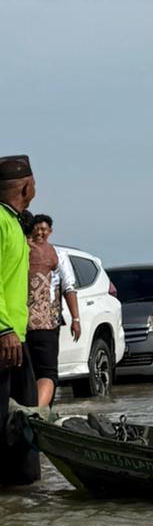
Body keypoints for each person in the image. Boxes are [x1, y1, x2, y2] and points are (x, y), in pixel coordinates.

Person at [0, 154, 39, 485]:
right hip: (5, 337)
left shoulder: (14, 221)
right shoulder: (0, 220)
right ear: (27, 186)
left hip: (17, 337)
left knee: (24, 420)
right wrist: (4, 330)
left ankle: (23, 504)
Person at [25, 213, 80, 408]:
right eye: (37, 228)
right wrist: (75, 319)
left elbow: (68, 288)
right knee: (47, 373)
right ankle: (37, 414)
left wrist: (76, 319)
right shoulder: (53, 255)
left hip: (20, 324)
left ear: (50, 232)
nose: (40, 232)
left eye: (44, 229)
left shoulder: (18, 251)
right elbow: (69, 287)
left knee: (29, 375)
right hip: (44, 324)